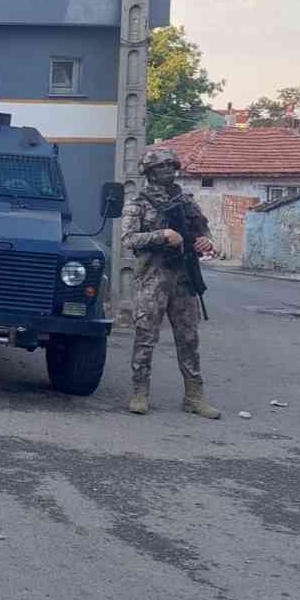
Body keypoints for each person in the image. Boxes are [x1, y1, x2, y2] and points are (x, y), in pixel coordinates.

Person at [121, 147, 221, 419]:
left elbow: (203, 230)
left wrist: (206, 241)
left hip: (183, 278)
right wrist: (161, 235)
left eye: (170, 166)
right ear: (149, 172)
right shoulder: (138, 203)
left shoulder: (187, 201)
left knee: (189, 338)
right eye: (159, 168)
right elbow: (128, 240)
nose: (166, 171)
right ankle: (140, 392)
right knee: (146, 336)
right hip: (153, 277)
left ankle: (194, 396)